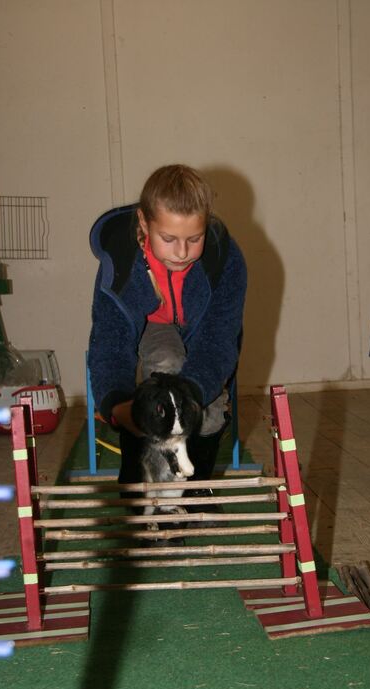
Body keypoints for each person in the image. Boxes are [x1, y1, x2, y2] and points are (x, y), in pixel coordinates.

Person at [88, 164, 247, 508]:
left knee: (212, 412)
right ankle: (137, 479)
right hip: (154, 328)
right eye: (169, 239)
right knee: (167, 364)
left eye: (194, 239)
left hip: (201, 332)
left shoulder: (227, 260)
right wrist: (118, 404)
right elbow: (109, 342)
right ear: (144, 224)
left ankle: (194, 486)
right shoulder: (120, 262)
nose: (181, 252)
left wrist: (194, 393)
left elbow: (220, 339)